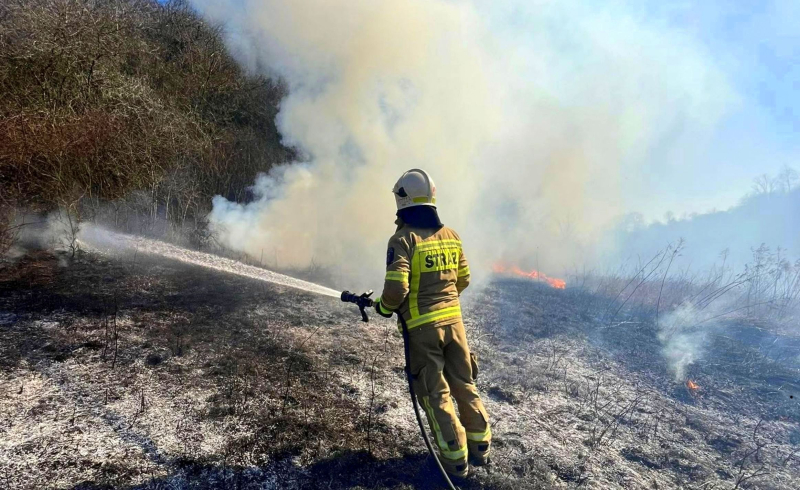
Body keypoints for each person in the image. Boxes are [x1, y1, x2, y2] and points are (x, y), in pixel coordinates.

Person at [374, 169, 492, 478]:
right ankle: (481, 448)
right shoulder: (452, 236)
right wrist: (445, 303)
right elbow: (463, 279)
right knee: (465, 384)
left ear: (403, 199)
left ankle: (454, 462)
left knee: (435, 394)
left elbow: (397, 289)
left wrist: (385, 308)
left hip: (423, 331)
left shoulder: (403, 239)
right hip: (455, 326)